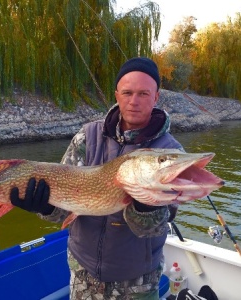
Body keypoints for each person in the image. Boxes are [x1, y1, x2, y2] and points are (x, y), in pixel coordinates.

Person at [10, 57, 184, 299]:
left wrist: (145, 208)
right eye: (127, 92)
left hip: (137, 281)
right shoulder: (87, 136)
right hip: (84, 273)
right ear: (117, 95)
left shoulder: (169, 154)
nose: (134, 101)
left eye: (144, 93)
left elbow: (154, 229)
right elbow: (63, 210)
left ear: (156, 97)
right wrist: (44, 206)